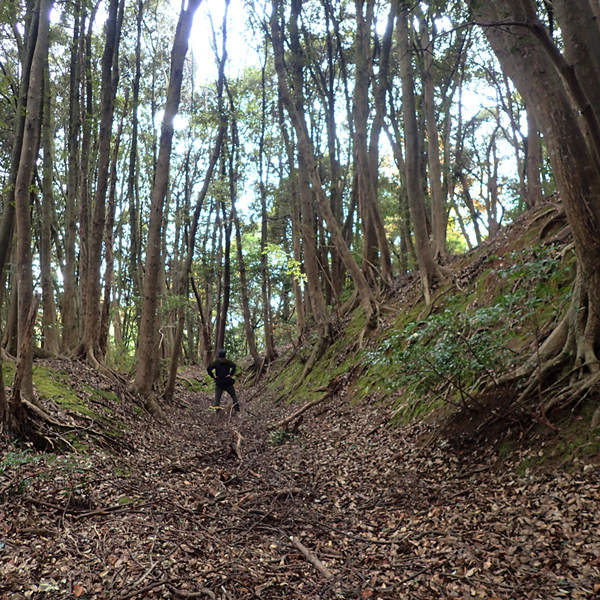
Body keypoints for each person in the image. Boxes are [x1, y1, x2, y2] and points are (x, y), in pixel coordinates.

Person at [207, 348, 240, 418]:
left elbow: (209, 369)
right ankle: (237, 410)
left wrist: (213, 376)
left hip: (219, 382)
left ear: (218, 355)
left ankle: (217, 414)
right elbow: (234, 366)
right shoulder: (228, 362)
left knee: (217, 398)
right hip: (227, 382)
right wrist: (230, 374)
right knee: (233, 395)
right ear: (225, 355)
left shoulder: (216, 362)